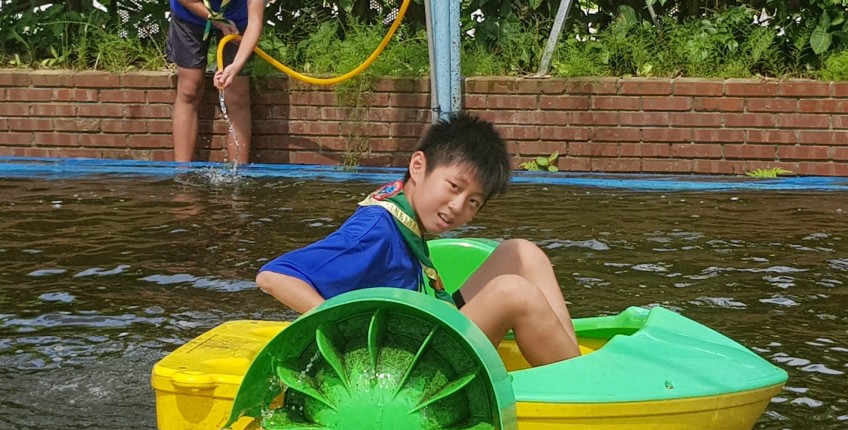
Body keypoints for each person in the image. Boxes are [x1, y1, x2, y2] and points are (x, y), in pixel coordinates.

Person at [256, 113, 581, 367]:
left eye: (473, 202)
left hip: (424, 332)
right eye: (454, 187)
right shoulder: (374, 230)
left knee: (521, 253)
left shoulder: (405, 209)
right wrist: (338, 329)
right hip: (411, 364)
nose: (458, 207)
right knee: (512, 292)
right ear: (418, 166)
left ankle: (571, 359)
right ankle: (581, 385)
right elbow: (274, 276)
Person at [166, 0, 265, 164]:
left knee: (237, 92)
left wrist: (235, 66)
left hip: (239, 18)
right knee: (189, 88)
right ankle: (182, 173)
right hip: (190, 14)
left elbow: (255, 21)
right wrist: (215, 20)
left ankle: (238, 173)